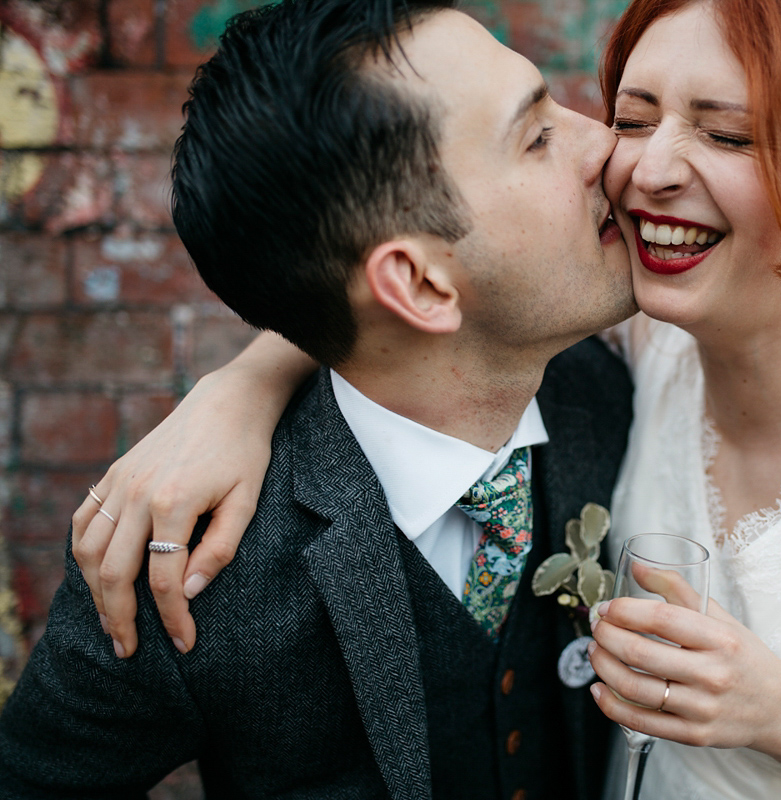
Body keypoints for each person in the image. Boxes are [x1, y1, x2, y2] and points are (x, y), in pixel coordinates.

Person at [66, 0, 781, 798]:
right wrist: (240, 387)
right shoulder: (634, 354)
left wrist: (780, 710)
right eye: (631, 116)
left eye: (726, 135)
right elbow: (379, 302)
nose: (629, 160)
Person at [0, 0, 636, 796]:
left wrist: (242, 380)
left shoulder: (608, 393)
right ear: (417, 283)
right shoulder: (190, 572)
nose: (605, 145)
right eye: (537, 136)